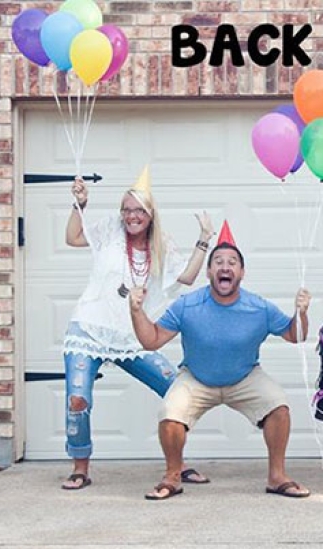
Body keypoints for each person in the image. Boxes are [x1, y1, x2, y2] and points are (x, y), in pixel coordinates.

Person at [129, 224, 312, 500]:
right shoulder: (187, 305)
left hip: (245, 376)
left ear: (241, 272)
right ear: (209, 272)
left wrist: (301, 312)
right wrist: (136, 310)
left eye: (232, 262)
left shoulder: (259, 307)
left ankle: (277, 477)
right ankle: (173, 476)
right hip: (197, 377)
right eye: (218, 262)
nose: (225, 267)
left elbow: (294, 335)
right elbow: (151, 340)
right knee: (170, 413)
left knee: (279, 406)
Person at [61, 167, 213, 490]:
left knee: (176, 389)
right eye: (127, 209)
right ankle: (80, 467)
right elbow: (73, 237)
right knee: (78, 399)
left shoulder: (162, 245)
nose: (132, 216)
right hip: (89, 329)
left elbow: (185, 277)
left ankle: (177, 463)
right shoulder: (109, 230)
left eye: (138, 210)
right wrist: (80, 205)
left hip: (131, 334)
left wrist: (204, 240)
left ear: (150, 214)